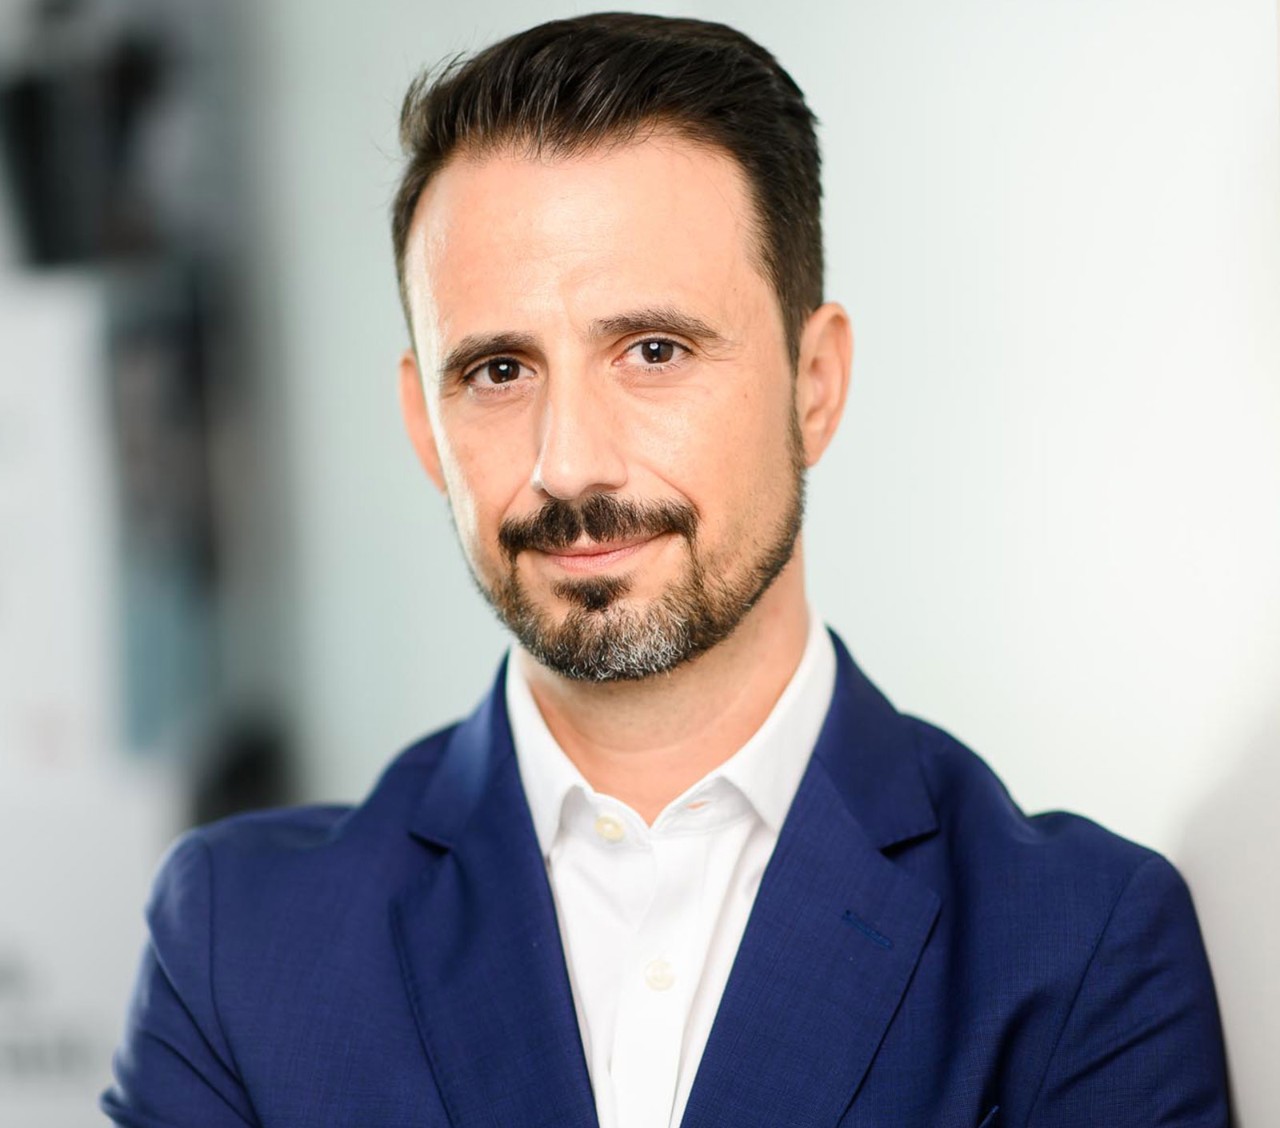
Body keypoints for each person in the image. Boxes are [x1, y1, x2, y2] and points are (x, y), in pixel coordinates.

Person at [103, 13, 1229, 1127]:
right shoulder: (237, 946)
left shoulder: (1078, 948)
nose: (567, 464)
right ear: (422, 424)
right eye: (498, 371)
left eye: (653, 350)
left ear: (814, 383)